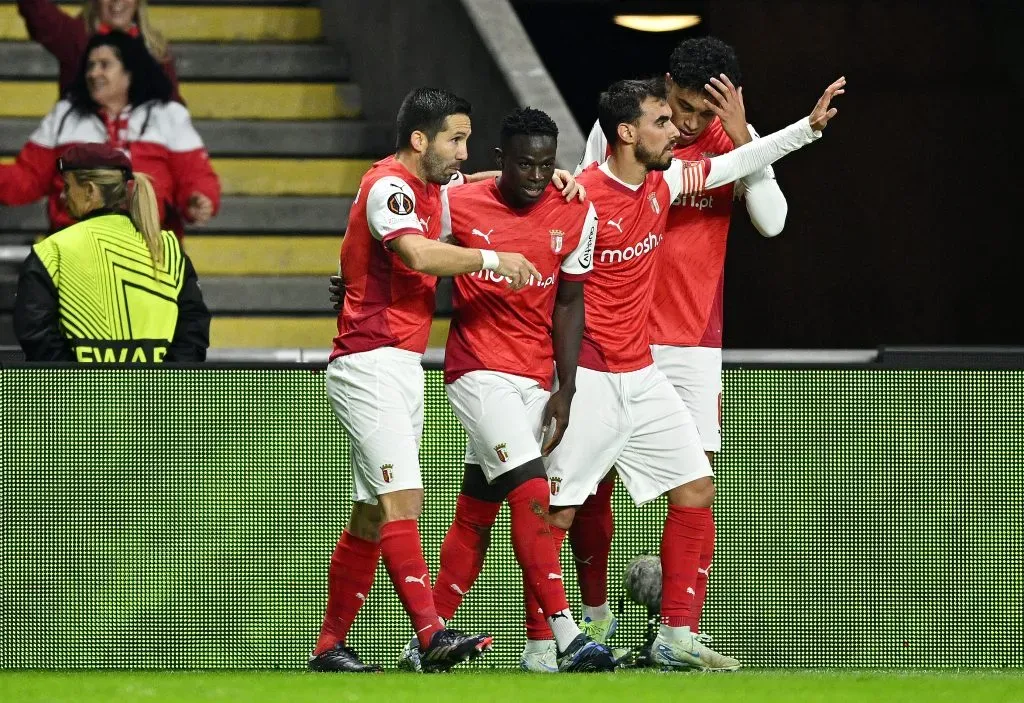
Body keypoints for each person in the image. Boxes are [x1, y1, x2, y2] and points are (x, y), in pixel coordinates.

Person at [520, 76, 844, 671]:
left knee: (697, 487)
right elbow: (523, 243)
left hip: (641, 375)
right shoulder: (579, 198)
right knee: (560, 510)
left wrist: (806, 130)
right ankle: (542, 642)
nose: (678, 132)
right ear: (626, 133)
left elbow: (738, 162)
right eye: (663, 123)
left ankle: (673, 635)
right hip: (590, 375)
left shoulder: (663, 186)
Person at [311, 87, 550, 674]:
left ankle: (328, 650)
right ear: (420, 140)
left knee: (372, 511)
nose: (464, 152)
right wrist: (491, 260)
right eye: (456, 139)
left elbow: (478, 184)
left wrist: (559, 176)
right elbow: (417, 255)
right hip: (369, 362)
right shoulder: (390, 186)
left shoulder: (429, 189)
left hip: (399, 362)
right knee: (403, 497)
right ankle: (429, 633)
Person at [569, 37, 790, 649]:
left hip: (693, 341)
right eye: (683, 107)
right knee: (593, 479)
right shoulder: (631, 128)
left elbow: (772, 221)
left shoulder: (737, 139)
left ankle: (676, 630)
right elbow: (587, 208)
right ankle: (594, 617)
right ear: (666, 86)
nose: (691, 123)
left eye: (704, 113)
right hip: (617, 335)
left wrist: (746, 141)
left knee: (696, 482)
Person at [392, 107, 615, 673]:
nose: (537, 175)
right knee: (531, 489)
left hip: (536, 378)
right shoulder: (458, 199)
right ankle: (566, 633)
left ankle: (425, 643)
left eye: (546, 164)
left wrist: (565, 388)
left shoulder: (575, 208)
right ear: (500, 161)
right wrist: (356, 282)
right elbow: (410, 250)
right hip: (477, 371)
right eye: (524, 165)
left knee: (476, 512)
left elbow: (569, 301)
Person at [0, 31, 218, 238]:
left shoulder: (167, 114)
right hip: (75, 251)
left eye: (105, 65)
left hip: (149, 253)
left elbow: (194, 174)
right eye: (90, 66)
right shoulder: (65, 114)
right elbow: (27, 177)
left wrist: (199, 199)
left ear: (130, 72)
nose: (94, 73)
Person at [12, 143, 209, 362]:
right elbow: (193, 328)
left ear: (90, 191)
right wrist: (164, 386)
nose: (62, 196)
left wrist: (78, 388)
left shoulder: (52, 251)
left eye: (67, 187)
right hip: (157, 394)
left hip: (80, 394)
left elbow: (35, 332)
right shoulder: (168, 247)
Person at [17, 0, 182, 101]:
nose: (117, 1)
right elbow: (36, 11)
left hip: (142, 155)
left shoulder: (155, 48)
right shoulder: (76, 38)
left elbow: (174, 109)